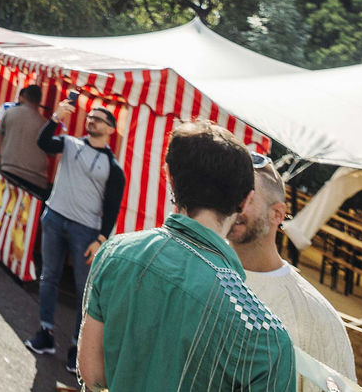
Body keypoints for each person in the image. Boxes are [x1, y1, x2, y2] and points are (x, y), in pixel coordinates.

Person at [78, 120, 295, 392]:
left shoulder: (115, 253)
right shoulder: (267, 338)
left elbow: (94, 375)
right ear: (245, 201)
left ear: (169, 178)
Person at [230, 158, 356, 392]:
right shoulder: (198, 275)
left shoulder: (316, 315)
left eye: (246, 196)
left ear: (277, 214)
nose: (232, 203)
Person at [26, 99, 127, 361]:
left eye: (98, 119)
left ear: (111, 129)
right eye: (90, 117)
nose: (91, 120)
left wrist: (102, 239)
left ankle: (77, 348)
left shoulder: (114, 168)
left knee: (84, 290)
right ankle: (45, 333)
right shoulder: (69, 143)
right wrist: (55, 117)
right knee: (49, 276)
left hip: (86, 231)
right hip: (55, 218)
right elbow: (43, 143)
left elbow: (113, 206)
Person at [0, 83, 54, 199]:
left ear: (24, 96)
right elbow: (51, 152)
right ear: (39, 101)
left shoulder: (10, 112)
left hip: (9, 169)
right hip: (36, 180)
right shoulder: (44, 124)